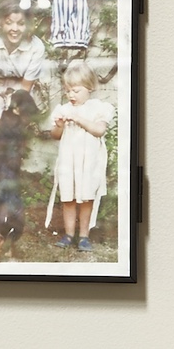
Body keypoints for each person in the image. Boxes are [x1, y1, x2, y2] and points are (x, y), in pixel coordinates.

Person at [0, 4, 48, 262]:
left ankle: (11, 221)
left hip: (18, 99)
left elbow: (24, 91)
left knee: (11, 151)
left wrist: (10, 119)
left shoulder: (36, 47)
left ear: (28, 25)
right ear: (0, 23)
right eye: (9, 22)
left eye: (20, 23)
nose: (14, 28)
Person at [45, 59, 112, 253]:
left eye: (76, 90)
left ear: (89, 88)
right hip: (68, 161)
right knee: (68, 198)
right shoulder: (63, 109)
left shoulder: (97, 108)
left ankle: (84, 236)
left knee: (86, 198)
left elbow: (99, 130)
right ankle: (68, 234)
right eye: (68, 91)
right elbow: (55, 136)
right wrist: (59, 125)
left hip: (88, 163)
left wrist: (79, 119)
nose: (71, 95)